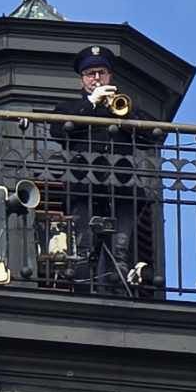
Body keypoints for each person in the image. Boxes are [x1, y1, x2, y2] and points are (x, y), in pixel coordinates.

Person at [51, 45, 154, 295]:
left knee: (120, 248)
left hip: (122, 188)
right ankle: (86, 294)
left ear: (110, 76)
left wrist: (125, 116)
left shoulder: (126, 106)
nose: (96, 78)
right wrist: (91, 105)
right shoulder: (69, 108)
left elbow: (152, 136)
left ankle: (117, 293)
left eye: (101, 73)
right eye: (90, 74)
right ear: (82, 79)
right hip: (84, 186)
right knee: (85, 247)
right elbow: (58, 132)